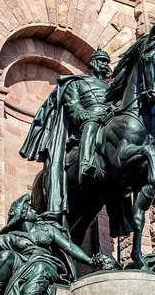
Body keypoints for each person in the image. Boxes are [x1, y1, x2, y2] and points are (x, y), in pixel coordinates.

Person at [19, 49, 113, 218]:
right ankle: (86, 165)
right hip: (88, 121)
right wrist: (86, 115)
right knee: (91, 126)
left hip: (109, 121)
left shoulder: (112, 89)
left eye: (106, 61)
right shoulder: (76, 83)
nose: (105, 65)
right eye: (101, 61)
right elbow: (74, 107)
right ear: (93, 63)